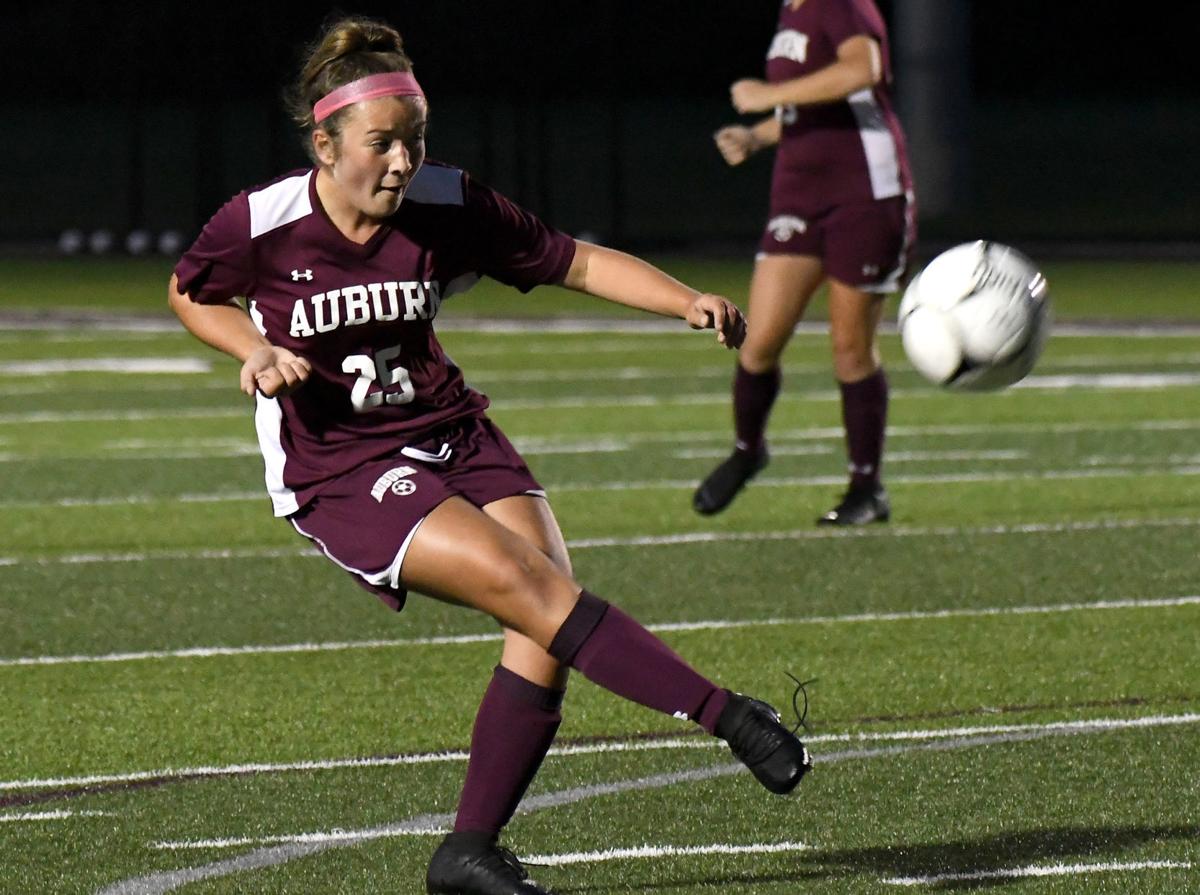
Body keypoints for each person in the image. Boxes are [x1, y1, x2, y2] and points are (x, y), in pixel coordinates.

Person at [168, 16, 811, 895]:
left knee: (544, 625)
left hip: (452, 430)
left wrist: (683, 299)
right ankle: (728, 714)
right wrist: (251, 348)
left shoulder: (445, 201)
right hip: (342, 467)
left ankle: (466, 851)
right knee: (534, 592)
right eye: (381, 145)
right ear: (324, 144)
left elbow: (571, 260)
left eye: (415, 140)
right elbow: (190, 290)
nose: (401, 162)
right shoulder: (263, 221)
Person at [692, 0, 916, 525]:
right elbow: (808, 106)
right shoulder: (792, 11)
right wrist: (758, 135)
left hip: (865, 190)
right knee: (758, 339)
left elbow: (862, 71)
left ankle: (867, 488)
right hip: (799, 190)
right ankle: (749, 449)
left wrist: (767, 95)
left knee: (850, 349)